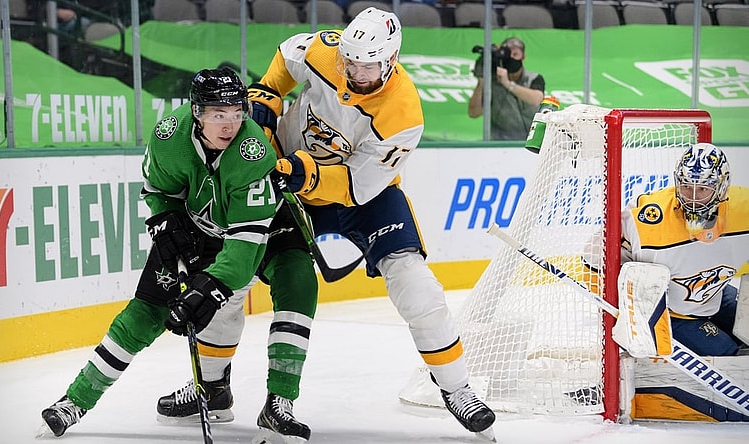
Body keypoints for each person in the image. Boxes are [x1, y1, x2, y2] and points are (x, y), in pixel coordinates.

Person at [246, 6, 496, 438]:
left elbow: (357, 187)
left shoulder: (403, 114)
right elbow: (286, 58)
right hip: (286, 177)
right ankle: (211, 387)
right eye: (351, 62)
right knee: (236, 274)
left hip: (359, 192)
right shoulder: (326, 49)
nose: (355, 73)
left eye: (367, 66)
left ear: (391, 61)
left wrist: (301, 170)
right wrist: (268, 92)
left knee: (416, 285)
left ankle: (457, 389)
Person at [38, 67, 318, 442]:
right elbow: (157, 189)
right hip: (198, 226)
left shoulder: (253, 154)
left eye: (237, 113)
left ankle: (279, 403)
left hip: (267, 229)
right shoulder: (169, 136)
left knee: (298, 282)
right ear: (197, 112)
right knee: (143, 314)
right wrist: (164, 220)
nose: (229, 124)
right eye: (218, 114)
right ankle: (75, 401)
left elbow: (243, 248)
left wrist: (210, 287)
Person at [621, 143, 749, 356]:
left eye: (703, 189)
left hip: (714, 294)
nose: (693, 198)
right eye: (687, 187)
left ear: (722, 187)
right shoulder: (649, 216)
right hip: (673, 315)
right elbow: (599, 252)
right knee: (733, 359)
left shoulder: (742, 209)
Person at [467, 37, 545, 140]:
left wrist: (508, 84)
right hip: (501, 145)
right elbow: (473, 113)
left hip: (531, 143)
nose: (511, 58)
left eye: (515, 54)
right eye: (508, 55)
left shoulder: (534, 78)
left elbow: (537, 99)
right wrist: (482, 82)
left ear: (523, 56)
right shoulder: (491, 83)